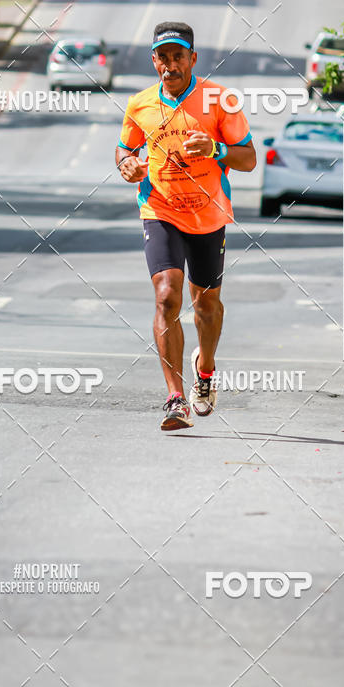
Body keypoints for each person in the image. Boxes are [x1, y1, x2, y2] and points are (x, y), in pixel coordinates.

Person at [115, 22, 256, 430]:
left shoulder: (219, 100)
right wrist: (128, 166)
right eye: (163, 57)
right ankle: (174, 398)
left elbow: (248, 159)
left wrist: (216, 148)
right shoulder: (139, 105)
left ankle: (205, 370)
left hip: (208, 215)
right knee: (166, 296)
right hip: (159, 209)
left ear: (193, 59)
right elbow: (124, 153)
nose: (170, 64)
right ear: (153, 61)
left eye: (179, 56)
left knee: (206, 305)